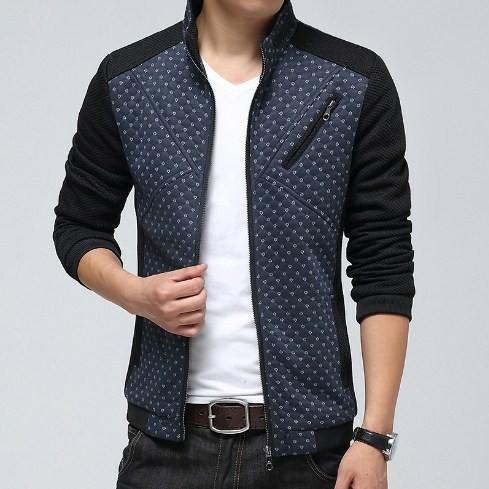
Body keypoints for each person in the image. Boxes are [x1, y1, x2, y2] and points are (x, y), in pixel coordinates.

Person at [52, 0, 415, 487]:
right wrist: (135, 294)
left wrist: (374, 437)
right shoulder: (130, 80)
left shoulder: (352, 81)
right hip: (165, 451)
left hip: (308, 454)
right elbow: (78, 225)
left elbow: (384, 262)